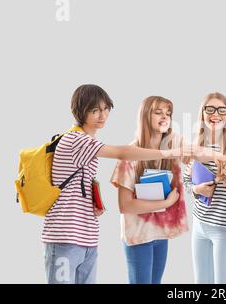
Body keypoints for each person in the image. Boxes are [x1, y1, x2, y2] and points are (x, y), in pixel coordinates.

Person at [42, 85, 190, 284]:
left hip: (87, 238)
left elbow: (79, 185)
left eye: (105, 109)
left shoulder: (89, 141)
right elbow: (122, 153)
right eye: (95, 110)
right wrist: (166, 153)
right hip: (64, 238)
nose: (102, 115)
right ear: (79, 111)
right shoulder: (76, 140)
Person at [110, 96, 188, 284]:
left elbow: (198, 153)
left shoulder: (174, 145)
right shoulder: (130, 154)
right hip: (138, 236)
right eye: (158, 112)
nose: (165, 117)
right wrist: (166, 203)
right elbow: (125, 205)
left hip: (161, 233)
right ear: (145, 116)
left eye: (168, 113)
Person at [183, 92, 226, 284]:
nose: (215, 114)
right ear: (202, 113)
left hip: (224, 228)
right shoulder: (194, 144)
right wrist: (196, 189)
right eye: (209, 109)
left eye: (221, 110)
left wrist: (200, 155)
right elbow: (186, 182)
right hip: (199, 225)